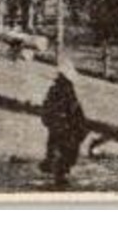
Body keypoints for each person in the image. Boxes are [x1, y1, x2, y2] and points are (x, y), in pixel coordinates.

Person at [39, 58, 89, 187]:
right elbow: (72, 108)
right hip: (64, 126)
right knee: (67, 149)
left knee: (57, 147)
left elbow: (47, 107)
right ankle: (60, 173)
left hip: (57, 125)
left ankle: (55, 168)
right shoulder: (66, 90)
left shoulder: (55, 89)